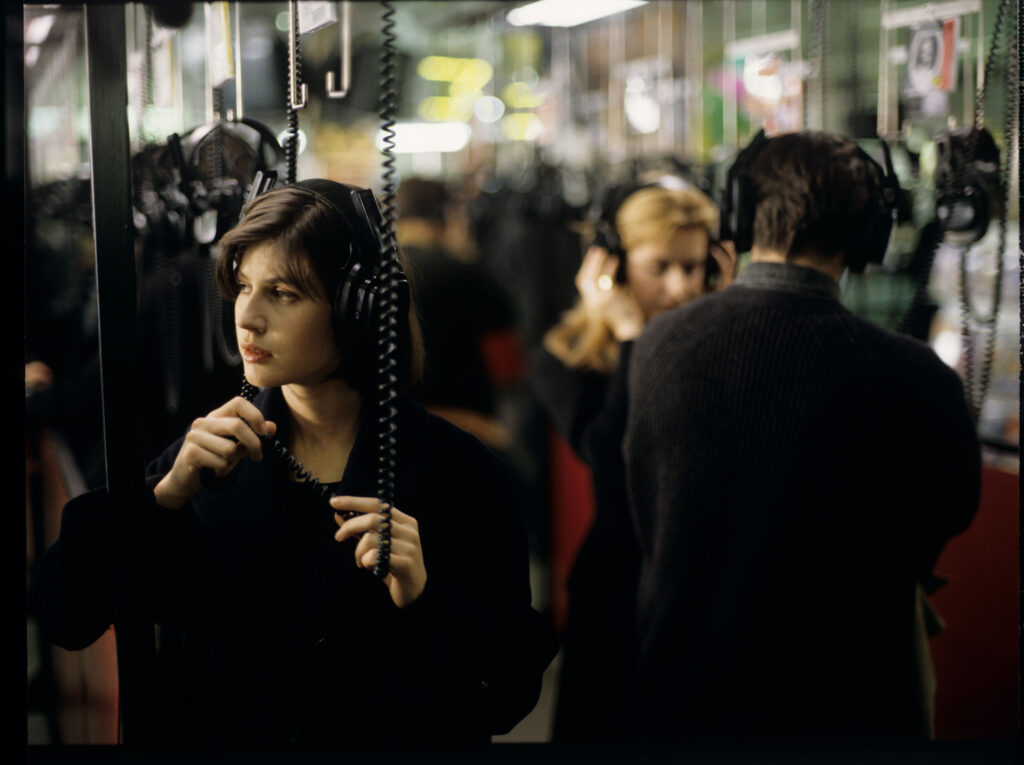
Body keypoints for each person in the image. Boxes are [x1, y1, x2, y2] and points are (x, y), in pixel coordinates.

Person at [31, 179, 557, 748]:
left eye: (282, 292)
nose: (247, 317)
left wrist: (424, 600)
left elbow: (508, 689)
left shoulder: (458, 470)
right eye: (242, 287)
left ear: (359, 309)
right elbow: (65, 615)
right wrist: (160, 498)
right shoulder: (203, 461)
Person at [623, 131, 981, 740]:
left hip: (685, 703)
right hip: (848, 709)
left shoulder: (661, 344)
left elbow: (648, 504)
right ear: (870, 233)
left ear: (738, 216)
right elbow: (954, 509)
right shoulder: (915, 377)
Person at [530, 182, 736, 741]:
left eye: (695, 267)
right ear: (613, 268)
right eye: (660, 266)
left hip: (708, 585)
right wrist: (632, 339)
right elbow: (606, 453)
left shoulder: (720, 346)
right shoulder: (564, 357)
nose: (681, 286)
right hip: (619, 586)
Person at [395, 176, 520, 451]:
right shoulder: (465, 273)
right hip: (468, 427)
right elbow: (508, 360)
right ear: (445, 213)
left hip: (392, 429)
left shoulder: (374, 275)